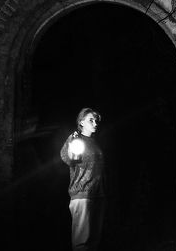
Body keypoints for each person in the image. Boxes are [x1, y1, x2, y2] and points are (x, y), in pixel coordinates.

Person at [60, 107, 105, 251]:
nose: (95, 123)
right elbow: (66, 158)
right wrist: (72, 145)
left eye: (95, 120)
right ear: (81, 122)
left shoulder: (94, 142)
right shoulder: (75, 139)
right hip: (82, 194)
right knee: (82, 242)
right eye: (90, 120)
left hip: (98, 193)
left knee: (95, 240)